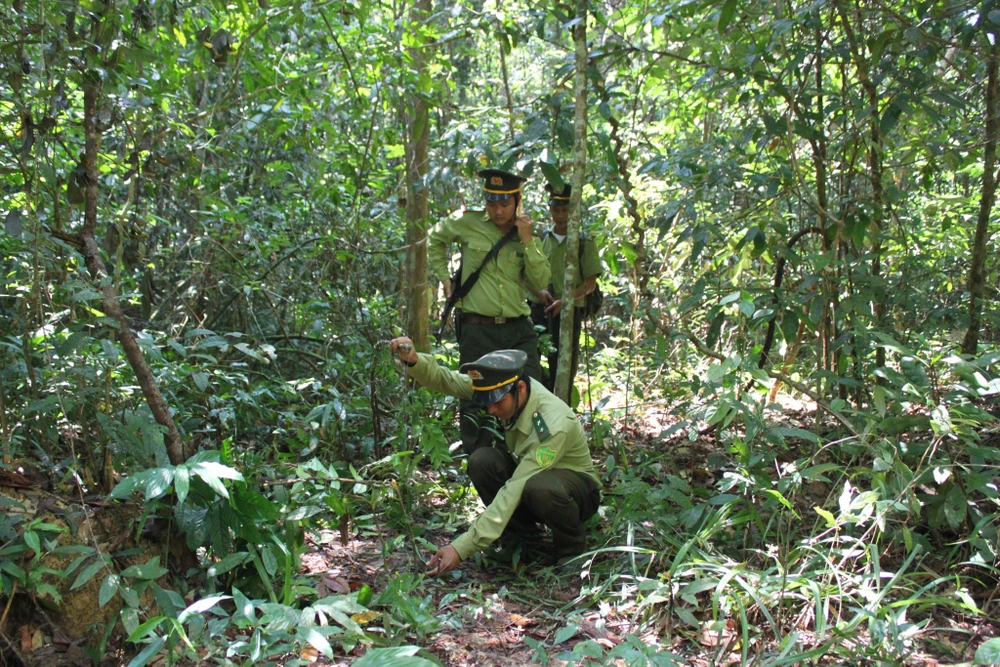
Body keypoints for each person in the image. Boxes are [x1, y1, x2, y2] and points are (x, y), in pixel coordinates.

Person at [389, 338, 601, 577]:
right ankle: (522, 540)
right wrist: (415, 362)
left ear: (519, 389)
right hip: (533, 480)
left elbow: (516, 487)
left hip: (576, 492)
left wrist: (460, 548)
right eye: (487, 402)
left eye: (497, 402)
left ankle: (572, 550)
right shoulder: (500, 387)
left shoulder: (553, 424)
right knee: (482, 461)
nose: (491, 410)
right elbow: (448, 380)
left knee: (541, 487)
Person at [428, 169, 551, 455]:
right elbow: (435, 237)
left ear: (516, 201)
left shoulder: (528, 231)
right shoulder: (467, 222)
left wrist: (528, 240)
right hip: (477, 327)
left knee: (530, 389)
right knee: (475, 394)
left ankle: (531, 455)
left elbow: (541, 281)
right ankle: (479, 459)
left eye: (504, 204)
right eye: (492, 204)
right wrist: (444, 279)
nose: (498, 211)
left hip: (517, 328)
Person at [530, 183, 602, 393]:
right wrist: (539, 292)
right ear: (549, 209)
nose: (560, 216)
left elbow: (590, 283)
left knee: (564, 366)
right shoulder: (540, 239)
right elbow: (527, 274)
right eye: (555, 210)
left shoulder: (584, 242)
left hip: (570, 312)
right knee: (532, 362)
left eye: (565, 210)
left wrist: (567, 301)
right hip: (539, 310)